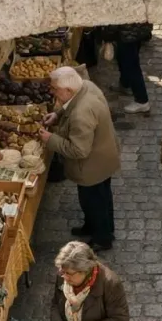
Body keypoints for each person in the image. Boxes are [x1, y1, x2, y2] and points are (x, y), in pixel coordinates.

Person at [40, 66, 121, 251]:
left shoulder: (80, 115)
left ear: (68, 90)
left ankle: (102, 239)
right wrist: (57, 114)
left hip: (91, 166)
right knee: (102, 196)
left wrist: (50, 139)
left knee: (94, 201)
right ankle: (98, 228)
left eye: (55, 89)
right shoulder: (86, 86)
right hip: (104, 155)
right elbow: (70, 105)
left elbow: (78, 150)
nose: (52, 92)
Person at [112, 23, 153, 114]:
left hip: (127, 33)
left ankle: (142, 100)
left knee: (131, 65)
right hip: (136, 28)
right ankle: (125, 83)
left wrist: (107, 34)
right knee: (125, 58)